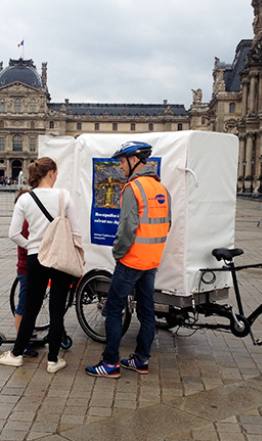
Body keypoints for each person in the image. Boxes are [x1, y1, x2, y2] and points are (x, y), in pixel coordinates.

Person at [86, 141, 172, 379]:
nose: (120, 167)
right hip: (152, 261)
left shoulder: (133, 188)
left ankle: (111, 363)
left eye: (122, 162)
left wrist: (118, 253)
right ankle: (141, 360)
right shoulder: (161, 188)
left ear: (135, 160)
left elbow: (126, 229)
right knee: (146, 311)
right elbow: (168, 224)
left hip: (132, 260)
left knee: (113, 309)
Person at [0, 157, 81, 374]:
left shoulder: (25, 199)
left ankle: (16, 354)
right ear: (51, 172)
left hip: (36, 259)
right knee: (57, 308)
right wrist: (78, 254)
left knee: (32, 308)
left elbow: (13, 233)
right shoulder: (64, 196)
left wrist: (34, 247)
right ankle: (53, 360)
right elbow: (76, 231)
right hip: (60, 257)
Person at [12, 188, 38, 357]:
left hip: (29, 266)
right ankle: (21, 339)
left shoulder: (26, 220)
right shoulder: (25, 222)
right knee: (23, 304)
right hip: (26, 267)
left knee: (28, 303)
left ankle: (25, 333)